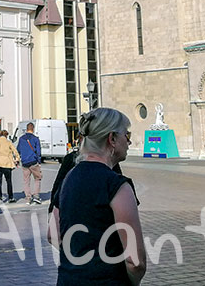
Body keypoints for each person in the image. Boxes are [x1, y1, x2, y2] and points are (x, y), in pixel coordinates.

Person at [52, 107, 145, 286]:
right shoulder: (117, 186)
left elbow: (53, 234)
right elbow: (135, 261)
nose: (129, 141)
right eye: (126, 135)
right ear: (112, 139)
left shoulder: (68, 178)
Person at [17, 122, 43, 204]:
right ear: (33, 129)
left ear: (27, 129)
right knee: (37, 178)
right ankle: (36, 196)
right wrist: (39, 161)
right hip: (33, 161)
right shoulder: (35, 139)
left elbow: (18, 150)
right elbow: (38, 151)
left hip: (24, 162)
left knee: (26, 181)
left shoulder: (21, 139)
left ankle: (28, 197)